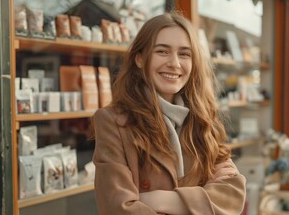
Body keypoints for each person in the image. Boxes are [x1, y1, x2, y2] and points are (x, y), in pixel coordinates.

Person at [92, 11, 246, 215]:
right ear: (139, 59)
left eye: (184, 54)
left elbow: (232, 194)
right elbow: (117, 208)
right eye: (162, 51)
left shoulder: (200, 117)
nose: (174, 63)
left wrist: (161, 199)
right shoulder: (113, 121)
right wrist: (201, 201)